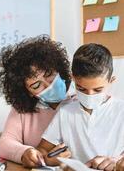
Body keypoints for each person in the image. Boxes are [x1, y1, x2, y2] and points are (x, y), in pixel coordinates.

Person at [37, 43, 124, 171]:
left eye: (98, 90)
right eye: (81, 88)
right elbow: (42, 150)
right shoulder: (66, 111)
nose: (89, 95)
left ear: (111, 81)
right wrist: (49, 159)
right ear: (73, 79)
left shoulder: (121, 110)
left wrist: (116, 162)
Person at [0, 34, 73, 168]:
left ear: (59, 69)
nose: (48, 86)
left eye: (49, 75)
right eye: (36, 85)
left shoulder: (84, 96)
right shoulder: (22, 108)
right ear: (27, 92)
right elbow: (5, 143)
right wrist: (25, 153)